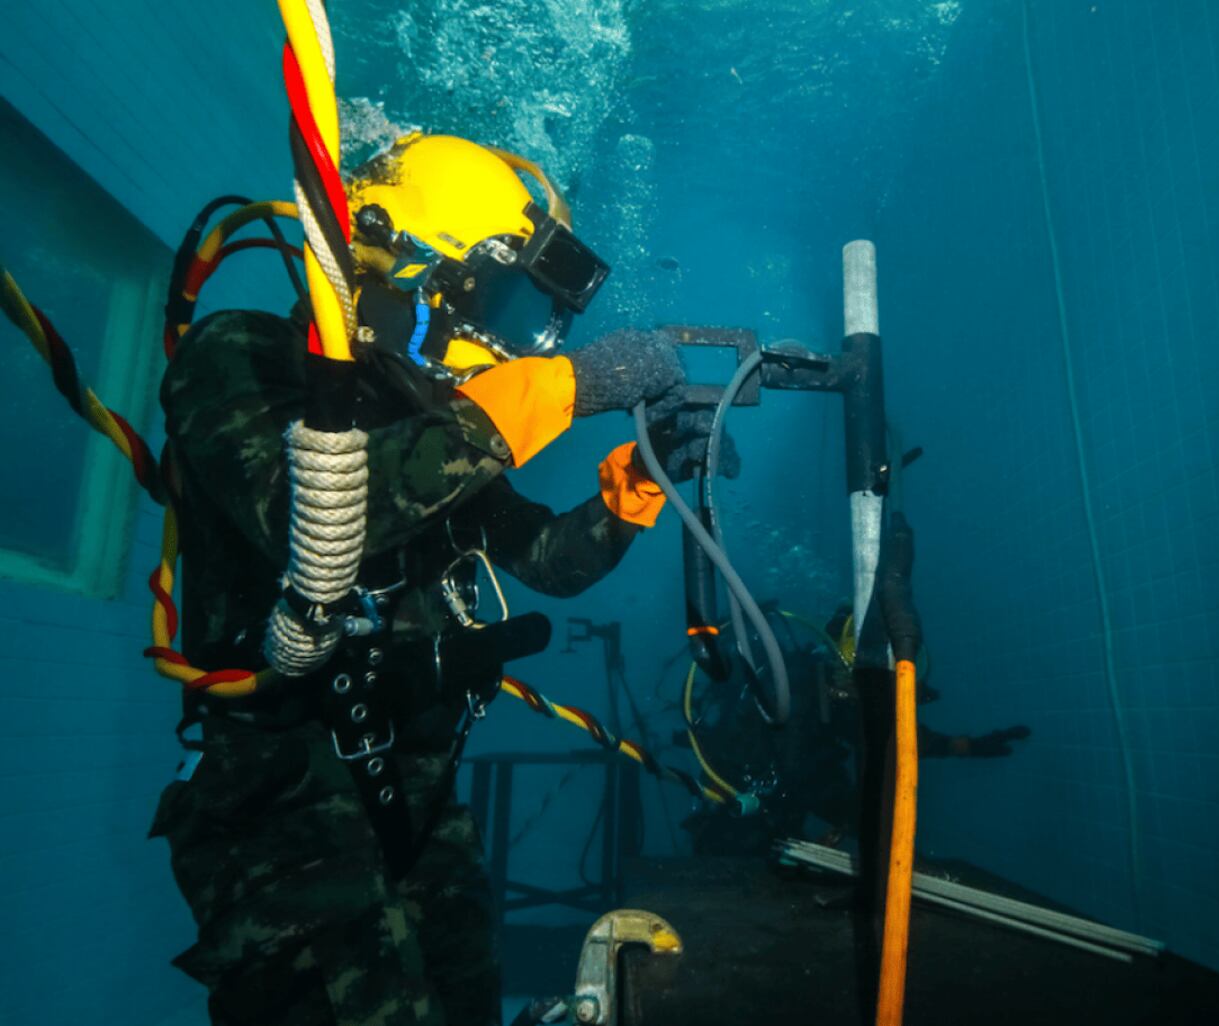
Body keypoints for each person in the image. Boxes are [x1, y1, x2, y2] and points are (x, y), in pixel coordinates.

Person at [149, 134, 723, 1026]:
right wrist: (561, 389)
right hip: (284, 806)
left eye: (537, 324)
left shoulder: (431, 419)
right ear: (410, 270)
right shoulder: (242, 355)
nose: (514, 348)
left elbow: (544, 559)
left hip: (417, 787)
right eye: (506, 308)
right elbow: (304, 517)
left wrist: (635, 487)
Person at [684, 603, 1031, 856]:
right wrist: (840, 827)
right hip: (740, 806)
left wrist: (970, 746)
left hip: (783, 797)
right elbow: (797, 775)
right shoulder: (797, 691)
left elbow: (892, 738)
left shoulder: (835, 703)